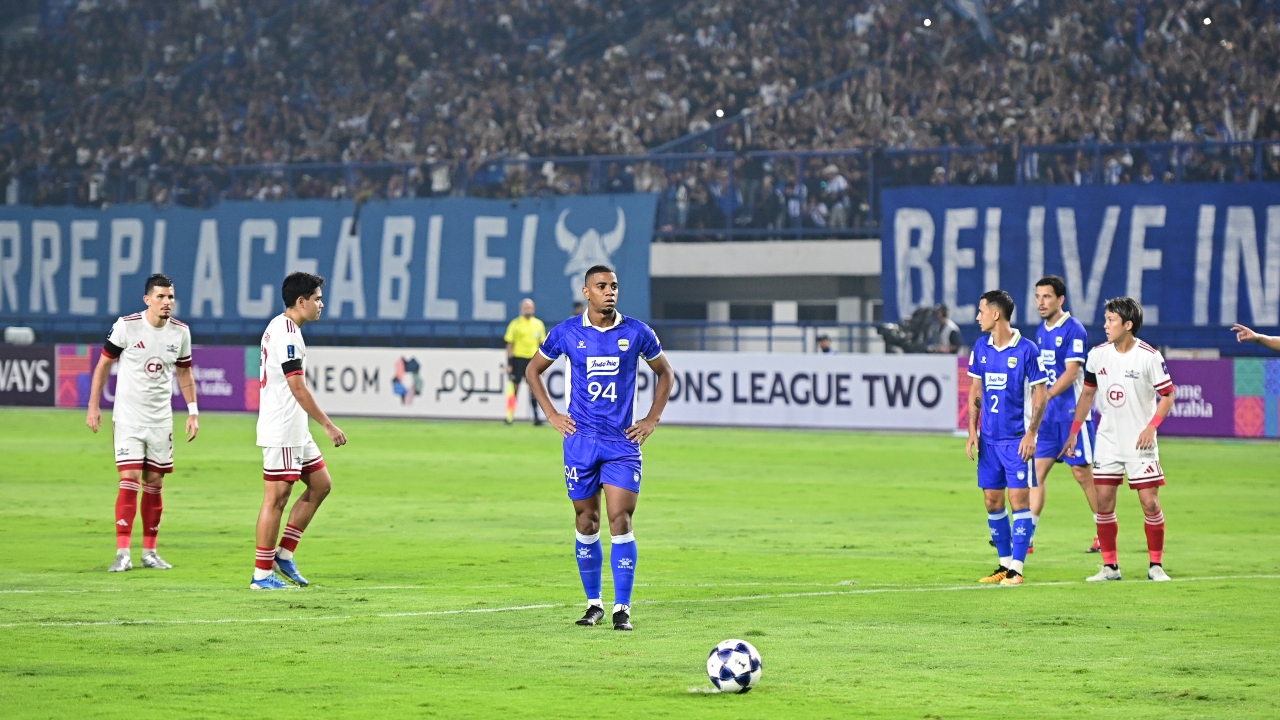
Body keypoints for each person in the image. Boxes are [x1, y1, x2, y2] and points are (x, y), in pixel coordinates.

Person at [525, 265, 676, 630]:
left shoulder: (637, 332)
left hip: (621, 443)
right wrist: (552, 414)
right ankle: (594, 603)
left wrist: (651, 419)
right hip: (579, 443)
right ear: (587, 292)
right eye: (602, 286)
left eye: (614, 286)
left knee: (620, 520)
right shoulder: (566, 332)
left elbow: (666, 373)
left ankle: (622, 608)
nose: (610, 292)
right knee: (585, 520)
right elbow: (532, 371)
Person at [87, 274, 198, 573]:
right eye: (161, 297)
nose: (167, 302)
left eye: (171, 297)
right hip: (128, 418)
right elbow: (103, 364)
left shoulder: (180, 332)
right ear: (147, 299)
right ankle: (123, 552)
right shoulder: (127, 325)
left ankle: (150, 552)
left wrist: (193, 411)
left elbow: (185, 374)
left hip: (161, 420)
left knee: (155, 482)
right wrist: (93, 406)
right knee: (130, 477)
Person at [1063, 297, 1175, 582]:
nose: (1105, 325)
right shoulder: (1098, 354)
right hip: (1108, 440)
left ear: (1128, 325)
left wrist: (1152, 427)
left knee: (1150, 503)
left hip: (1140, 442)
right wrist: (1074, 431)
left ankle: (1156, 566)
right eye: (1106, 319)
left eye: (1111, 320)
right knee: (1103, 502)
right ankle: (1110, 567)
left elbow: (1168, 395)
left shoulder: (1149, 356)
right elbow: (1087, 393)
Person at [251, 272, 347, 590]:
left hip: (294, 428)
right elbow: (297, 387)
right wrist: (328, 424)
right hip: (282, 429)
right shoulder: (288, 335)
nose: (322, 304)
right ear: (301, 301)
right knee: (276, 498)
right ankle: (262, 575)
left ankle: (284, 553)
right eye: (317, 298)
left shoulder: (281, 326)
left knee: (320, 484)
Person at [964, 290, 1048, 586]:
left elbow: (1040, 392)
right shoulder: (980, 347)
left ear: (996, 314)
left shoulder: (1027, 350)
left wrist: (1032, 433)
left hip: (1016, 440)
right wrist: (972, 431)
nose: (978, 317)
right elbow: (976, 390)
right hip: (989, 440)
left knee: (1018, 500)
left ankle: (1017, 567)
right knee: (992, 500)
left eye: (981, 311)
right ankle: (1003, 563)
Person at [1032, 276, 1101, 554]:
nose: (1041, 302)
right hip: (1047, 419)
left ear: (1061, 299)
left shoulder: (1074, 329)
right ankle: (1028, 537)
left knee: (1082, 473)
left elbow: (1072, 372)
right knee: (1035, 474)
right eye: (1038, 297)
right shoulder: (1040, 330)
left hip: (1073, 415)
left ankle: (1103, 529)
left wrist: (1046, 396)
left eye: (1047, 297)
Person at [504, 298, 547, 425]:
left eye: (530, 307)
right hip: (518, 359)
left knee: (534, 389)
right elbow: (510, 345)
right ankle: (509, 416)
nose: (528, 309)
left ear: (533, 309)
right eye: (525, 307)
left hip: (532, 360)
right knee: (514, 388)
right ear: (521, 309)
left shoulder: (538, 324)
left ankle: (536, 417)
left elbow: (542, 345)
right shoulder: (515, 324)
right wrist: (510, 364)